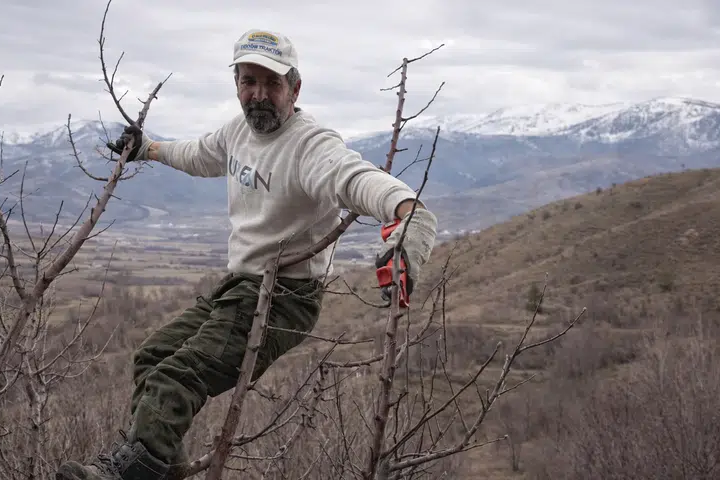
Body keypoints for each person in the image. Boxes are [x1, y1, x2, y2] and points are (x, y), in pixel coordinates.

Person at [55, 27, 438, 480]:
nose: (258, 95)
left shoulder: (310, 146)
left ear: (295, 89)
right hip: (239, 287)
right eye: (248, 82)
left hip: (284, 299)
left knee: (176, 378)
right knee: (152, 358)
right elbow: (200, 154)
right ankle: (160, 468)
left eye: (271, 84)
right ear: (236, 84)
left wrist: (409, 214)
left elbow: (355, 179)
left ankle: (127, 475)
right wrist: (148, 149)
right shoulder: (239, 131)